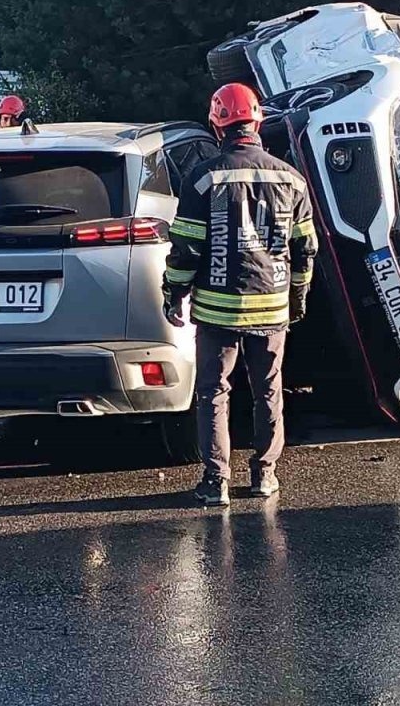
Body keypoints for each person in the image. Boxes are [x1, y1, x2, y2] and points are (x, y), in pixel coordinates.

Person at [162, 82, 317, 506]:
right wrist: (298, 296)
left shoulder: (202, 178)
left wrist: (174, 292)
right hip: (272, 305)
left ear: (217, 125)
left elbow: (186, 247)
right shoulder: (292, 179)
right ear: (257, 121)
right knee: (269, 389)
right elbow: (305, 248)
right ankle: (265, 475)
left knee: (213, 392)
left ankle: (216, 483)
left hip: (215, 309)